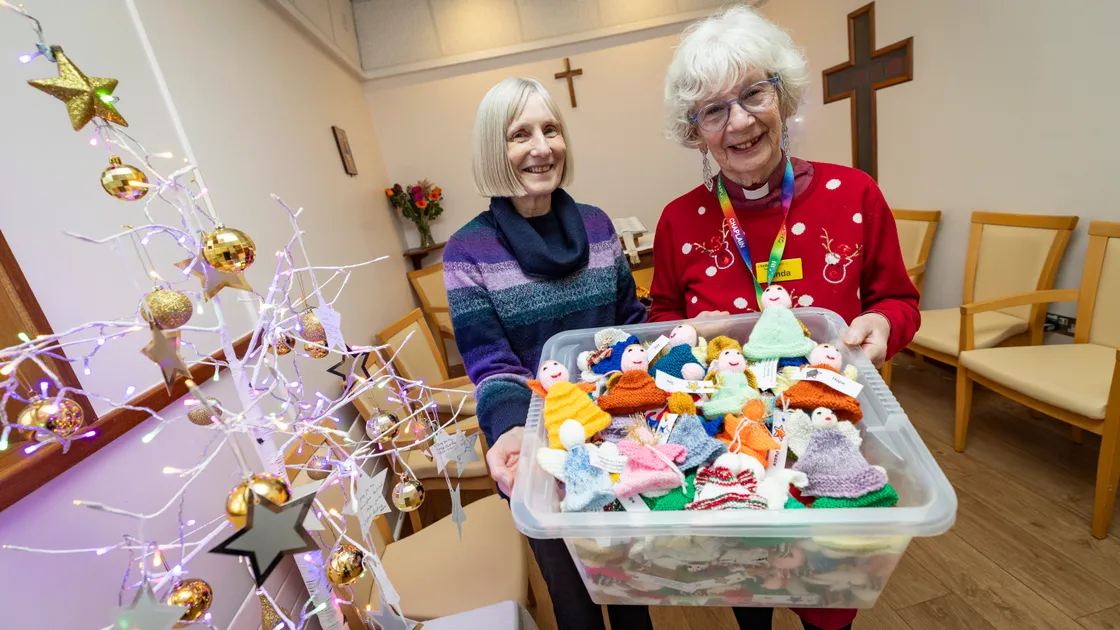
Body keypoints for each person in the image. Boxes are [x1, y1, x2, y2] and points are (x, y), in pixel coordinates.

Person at [650, 5, 921, 630]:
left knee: (828, 597)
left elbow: (898, 301)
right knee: (747, 587)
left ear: (784, 95)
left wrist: (884, 327)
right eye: (713, 110)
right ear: (695, 130)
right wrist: (685, 334)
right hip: (729, 452)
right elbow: (663, 314)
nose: (739, 122)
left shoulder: (853, 195)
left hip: (833, 440)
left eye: (753, 94)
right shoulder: (678, 220)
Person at [443, 77, 651, 630]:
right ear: (494, 148)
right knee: (571, 594)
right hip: (535, 449)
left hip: (617, 436)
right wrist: (513, 430)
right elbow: (490, 361)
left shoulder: (599, 226)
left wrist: (668, 345)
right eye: (520, 134)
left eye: (551, 128)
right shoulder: (468, 251)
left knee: (631, 583)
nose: (541, 146)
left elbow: (629, 323)